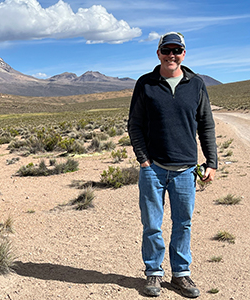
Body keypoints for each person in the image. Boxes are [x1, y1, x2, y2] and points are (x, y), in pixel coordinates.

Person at [127, 32, 218, 298]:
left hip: (186, 170)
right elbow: (135, 125)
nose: (171, 55)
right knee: (152, 224)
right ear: (158, 53)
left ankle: (181, 274)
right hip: (153, 169)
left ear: (184, 54)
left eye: (177, 50)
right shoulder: (146, 84)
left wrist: (211, 161)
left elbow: (206, 125)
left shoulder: (196, 84)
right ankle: (153, 273)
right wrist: (143, 161)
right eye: (166, 50)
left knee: (183, 223)